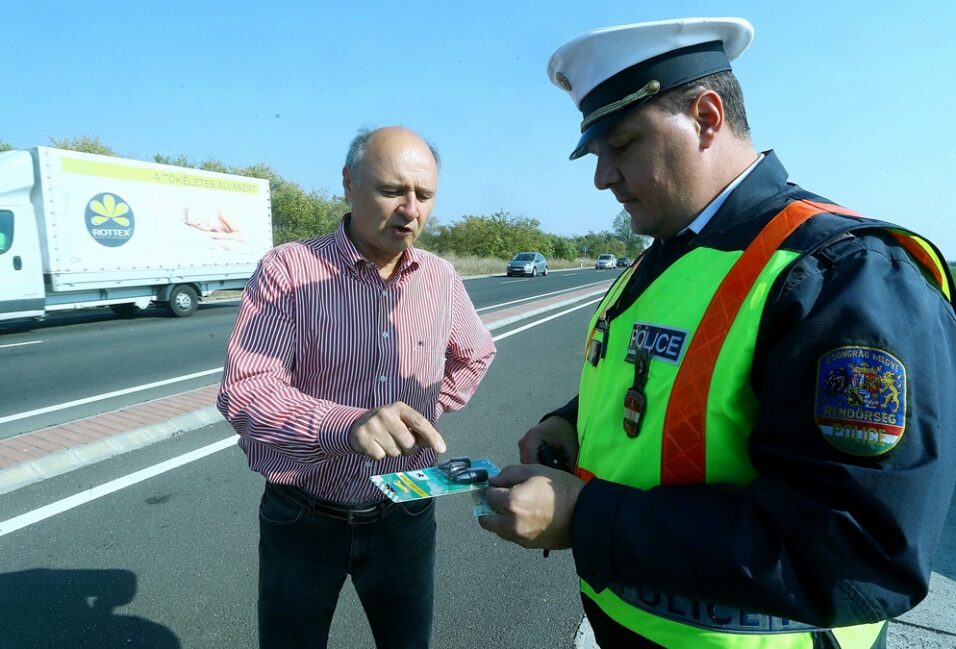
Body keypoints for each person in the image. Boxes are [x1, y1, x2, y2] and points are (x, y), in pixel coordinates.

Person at [478, 17, 956, 649]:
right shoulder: (665, 253)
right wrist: (568, 422)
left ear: (706, 117)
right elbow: (657, 380)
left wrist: (584, 516)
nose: (602, 178)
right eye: (596, 156)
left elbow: (858, 552)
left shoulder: (843, 275)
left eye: (622, 145)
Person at [218, 126, 496, 649]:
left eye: (425, 196)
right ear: (349, 184)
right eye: (392, 191)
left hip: (406, 512)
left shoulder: (439, 277)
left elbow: (475, 352)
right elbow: (247, 388)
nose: (411, 210)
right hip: (304, 514)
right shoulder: (289, 270)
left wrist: (426, 409)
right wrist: (348, 425)